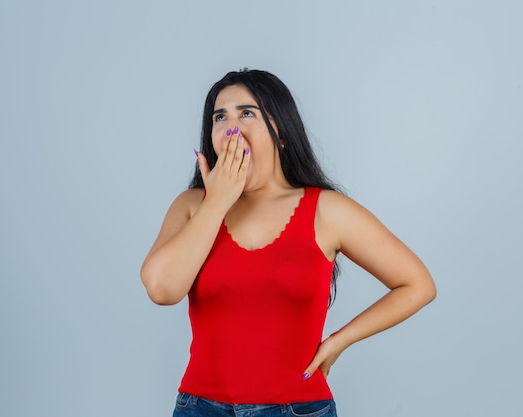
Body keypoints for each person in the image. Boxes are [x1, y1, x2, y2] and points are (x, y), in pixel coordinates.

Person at [140, 69, 436, 417]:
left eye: (247, 113)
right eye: (220, 116)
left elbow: (417, 284)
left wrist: (339, 341)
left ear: (280, 130)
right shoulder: (192, 206)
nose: (231, 126)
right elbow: (161, 289)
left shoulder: (326, 210)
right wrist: (217, 200)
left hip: (298, 409)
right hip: (200, 408)